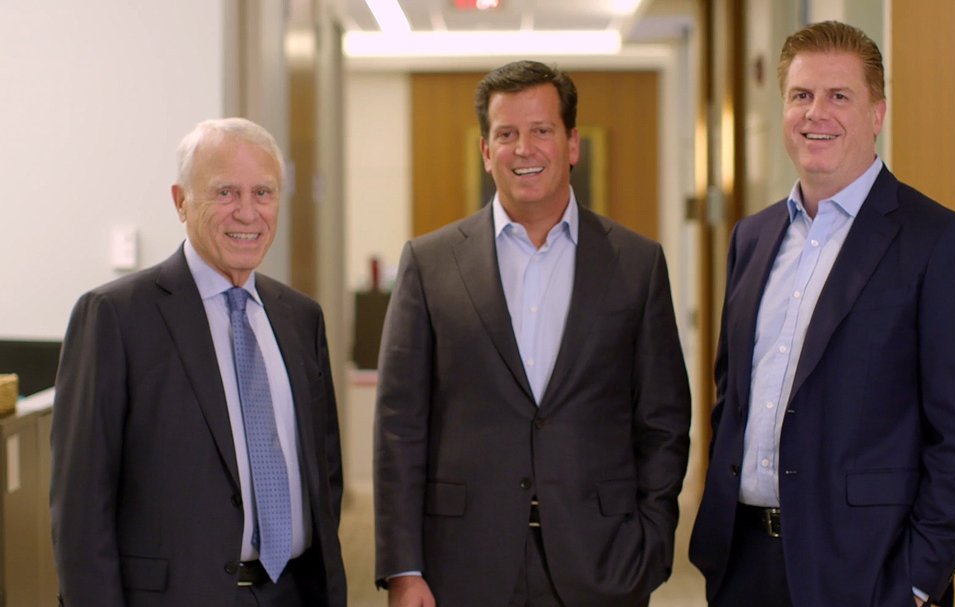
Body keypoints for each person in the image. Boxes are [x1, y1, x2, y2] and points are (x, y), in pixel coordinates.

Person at [689, 21, 955, 607]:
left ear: (877, 113)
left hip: (867, 571)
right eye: (801, 96)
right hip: (745, 565)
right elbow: (731, 395)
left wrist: (916, 580)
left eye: (840, 96)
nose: (816, 114)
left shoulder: (941, 242)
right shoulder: (751, 239)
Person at [373, 60, 692, 607]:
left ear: (571, 144)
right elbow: (400, 428)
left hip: (603, 562)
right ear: (485, 150)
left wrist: (652, 544)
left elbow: (662, 420)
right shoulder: (428, 264)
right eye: (507, 134)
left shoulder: (638, 265)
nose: (524, 149)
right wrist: (403, 567)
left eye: (542, 131)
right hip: (463, 564)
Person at [51, 118, 347, 606]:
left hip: (295, 593)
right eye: (225, 192)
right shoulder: (116, 317)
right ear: (181, 200)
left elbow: (324, 475)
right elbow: (82, 508)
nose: (248, 213)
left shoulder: (301, 317)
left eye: (264, 193)